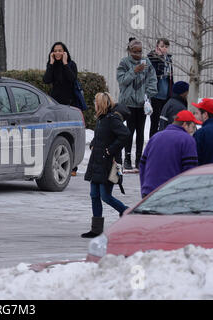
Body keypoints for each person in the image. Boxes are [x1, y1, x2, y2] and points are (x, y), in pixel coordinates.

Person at [82, 93, 131, 238]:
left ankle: (127, 212)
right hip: (97, 162)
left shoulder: (112, 119)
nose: (94, 104)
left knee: (105, 196)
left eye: (96, 102)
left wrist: (111, 150)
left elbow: (125, 135)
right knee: (94, 195)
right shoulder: (102, 119)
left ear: (101, 104)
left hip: (108, 163)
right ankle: (96, 229)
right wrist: (93, 144)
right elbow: (102, 136)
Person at [117, 38, 158, 170]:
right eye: (135, 52)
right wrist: (134, 70)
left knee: (140, 132)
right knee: (129, 131)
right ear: (129, 51)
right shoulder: (124, 62)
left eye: (140, 52)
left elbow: (153, 81)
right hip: (128, 104)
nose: (138, 55)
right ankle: (127, 158)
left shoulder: (147, 62)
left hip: (141, 104)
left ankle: (139, 159)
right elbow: (122, 80)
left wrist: (147, 94)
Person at [140, 110, 200, 198]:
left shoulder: (155, 137)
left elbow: (142, 164)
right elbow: (190, 170)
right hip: (171, 194)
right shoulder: (187, 140)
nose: (192, 131)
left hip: (149, 192)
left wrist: (144, 188)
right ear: (185, 124)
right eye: (193, 126)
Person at [43, 42, 79, 176]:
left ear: (65, 52)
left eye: (60, 51)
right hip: (55, 103)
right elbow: (46, 80)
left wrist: (64, 63)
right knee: (59, 133)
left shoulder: (71, 64)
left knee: (71, 133)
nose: (57, 53)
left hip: (69, 103)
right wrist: (51, 63)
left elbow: (72, 79)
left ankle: (73, 166)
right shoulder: (52, 65)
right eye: (55, 51)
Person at [148, 38, 174, 138]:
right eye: (162, 46)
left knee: (164, 123)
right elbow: (154, 74)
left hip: (166, 95)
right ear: (157, 47)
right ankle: (152, 145)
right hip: (156, 95)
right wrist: (160, 60)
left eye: (166, 47)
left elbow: (171, 78)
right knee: (154, 123)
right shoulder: (151, 58)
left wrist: (172, 93)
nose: (164, 49)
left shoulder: (169, 59)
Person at [192, 98, 213, 165]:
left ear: (205, 115)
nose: (195, 115)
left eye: (197, 112)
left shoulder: (201, 133)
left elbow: (195, 159)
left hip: (205, 173)